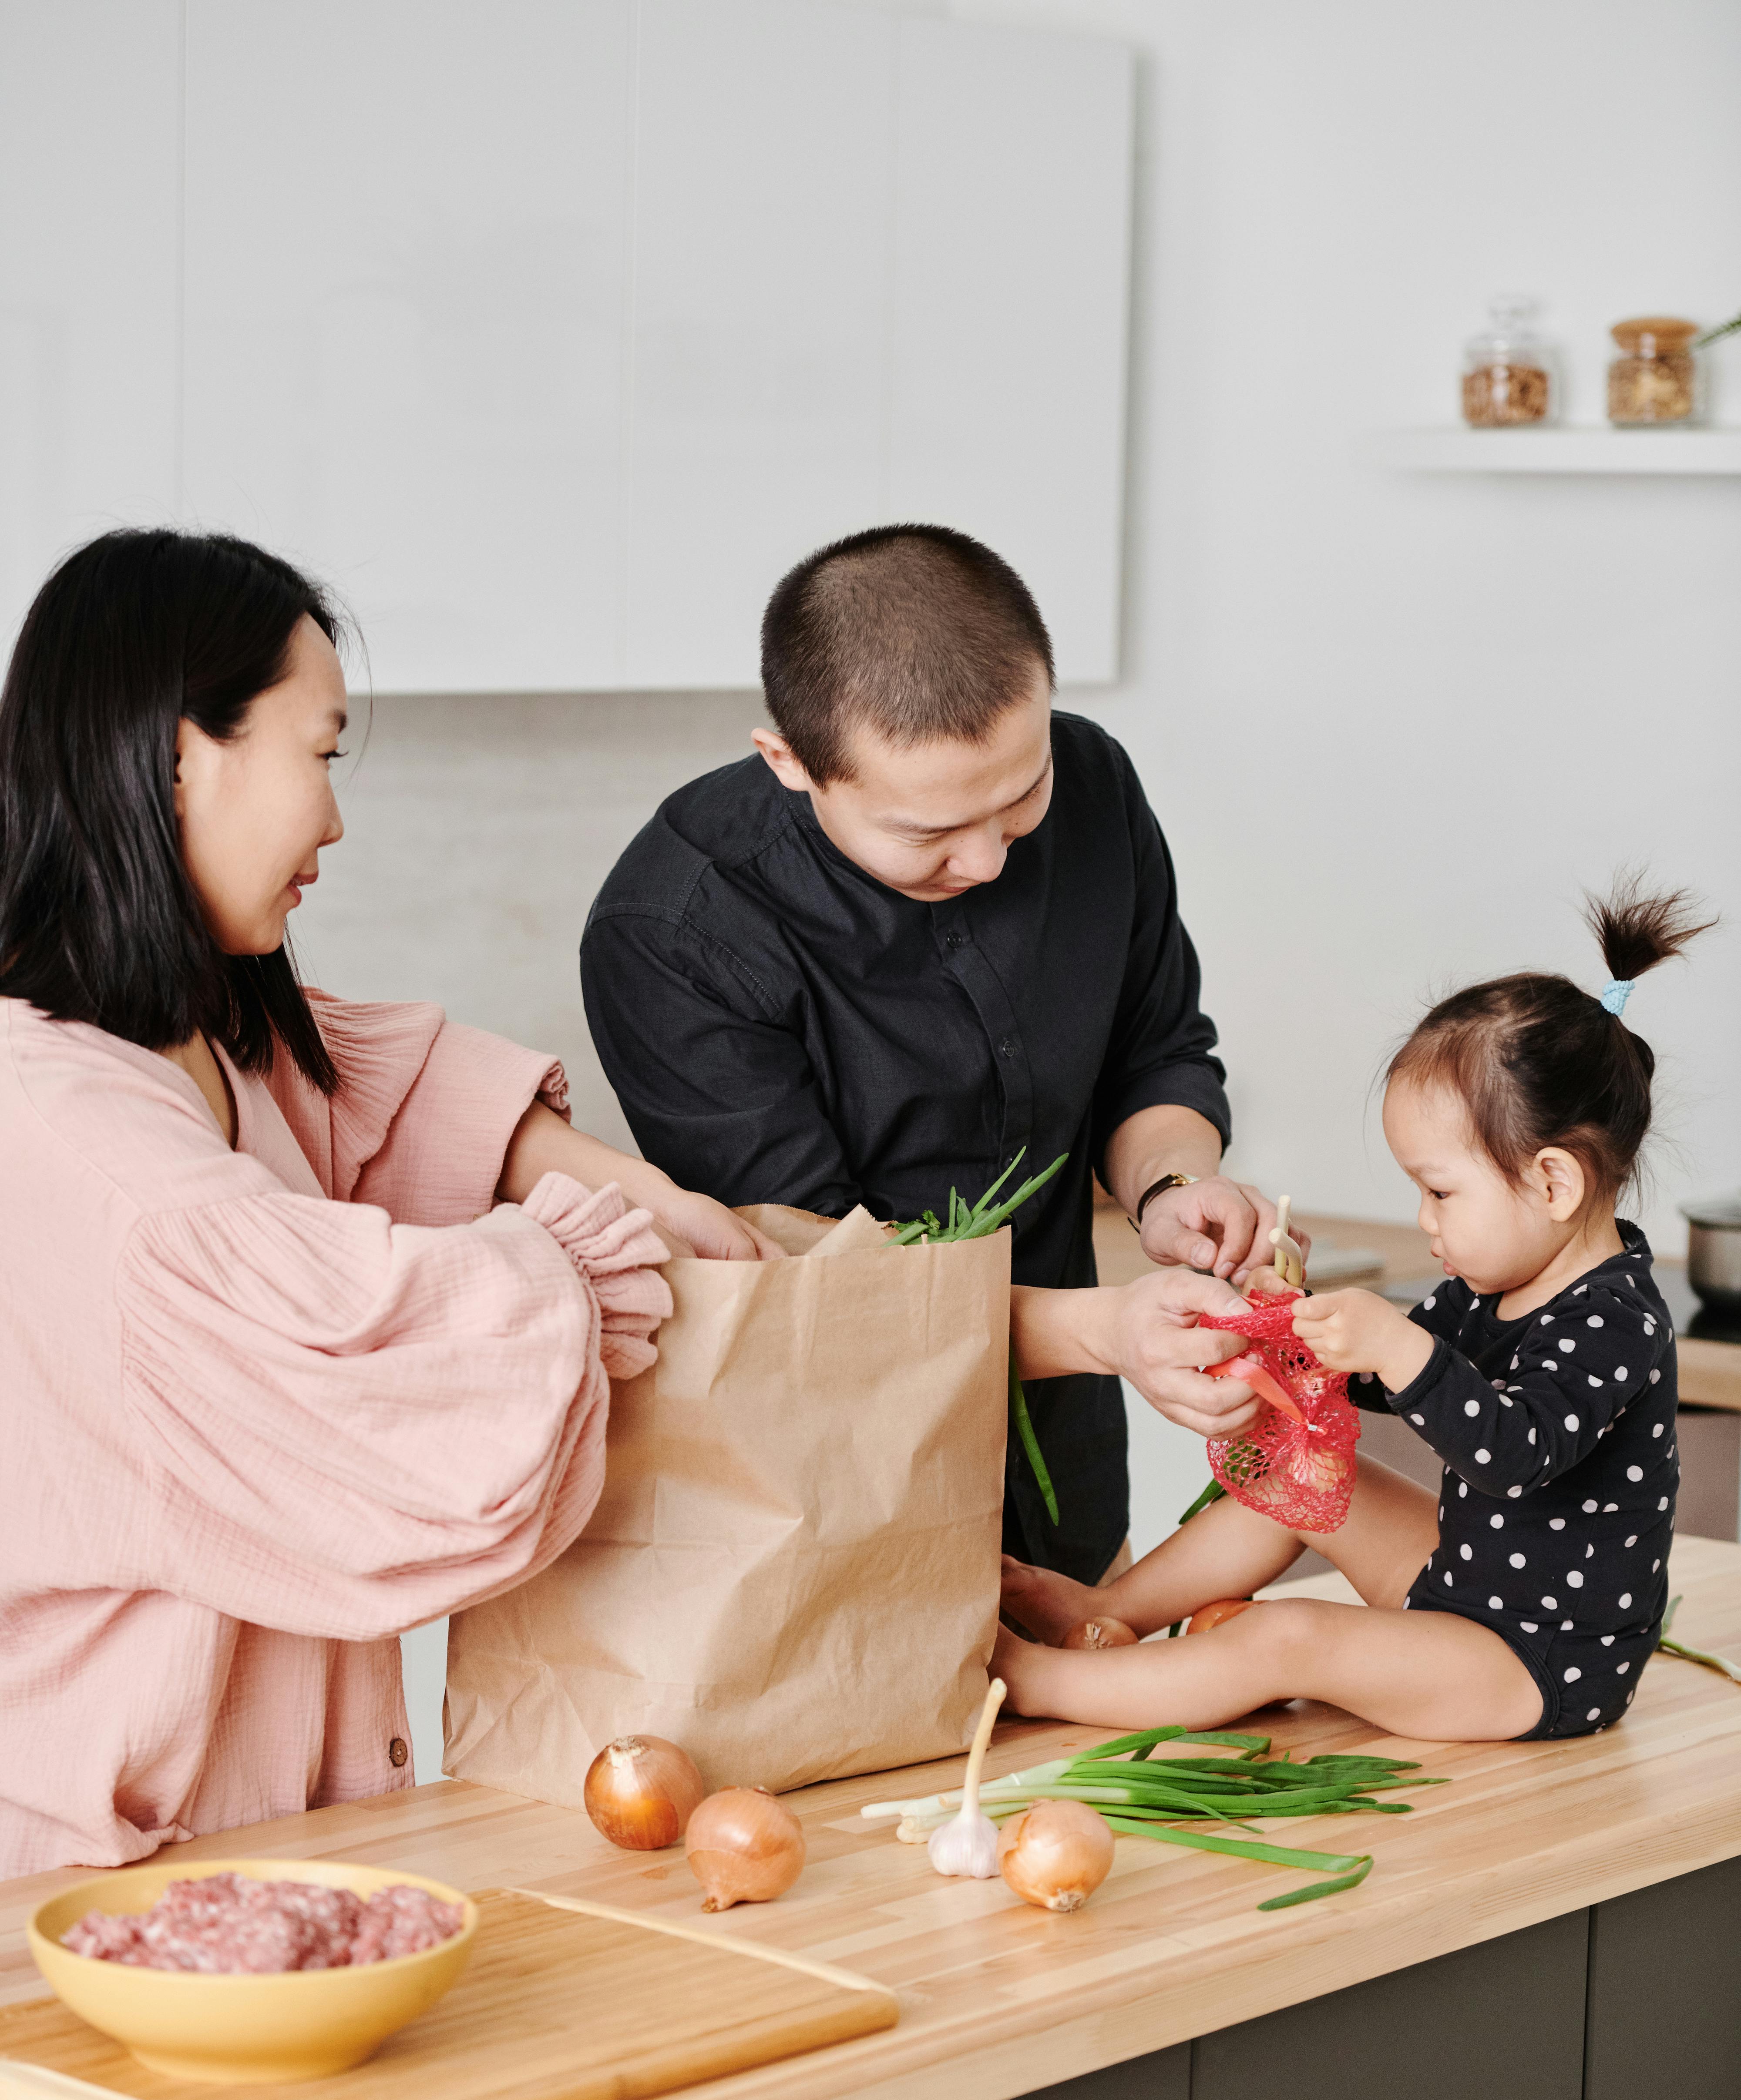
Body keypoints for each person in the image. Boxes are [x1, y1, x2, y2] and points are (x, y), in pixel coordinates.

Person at [0, 528, 777, 1877]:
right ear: (183, 754)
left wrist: (614, 1179)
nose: (337, 819)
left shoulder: (204, 1029)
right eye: (323, 755)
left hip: (257, 1847)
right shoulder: (91, 1159)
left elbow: (360, 1084)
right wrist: (584, 1265)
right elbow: (358, 1342)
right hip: (83, 1879)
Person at [581, 524, 1294, 1583]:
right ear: (787, 762)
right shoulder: (674, 932)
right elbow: (821, 1282)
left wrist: (1170, 1186)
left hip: (1066, 1432)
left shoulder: (1092, 782)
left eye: (1019, 798)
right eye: (927, 835)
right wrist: (1107, 1331)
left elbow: (1153, 1055)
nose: (989, 857)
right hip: (822, 1469)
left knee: (1086, 1701)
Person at [997, 884, 1707, 1742]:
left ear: (1553, 1182)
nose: (1423, 1219)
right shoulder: (1495, 1285)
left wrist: (1393, 1342)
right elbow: (1392, 1385)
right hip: (1467, 1579)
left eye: (1439, 1191)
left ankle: (1039, 1682)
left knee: (1285, 1634)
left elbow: (1514, 1454)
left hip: (1536, 1658)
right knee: (1291, 1485)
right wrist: (1303, 1330)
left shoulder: (1616, 1320)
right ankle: (1108, 1610)